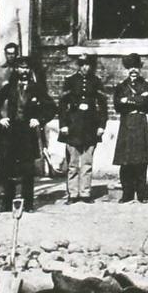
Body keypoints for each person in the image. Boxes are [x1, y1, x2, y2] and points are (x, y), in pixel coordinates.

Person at [0, 57, 49, 212]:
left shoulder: (36, 88)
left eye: (27, 68)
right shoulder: (9, 87)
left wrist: (39, 119)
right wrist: (0, 119)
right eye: (21, 68)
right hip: (11, 132)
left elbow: (51, 107)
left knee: (28, 169)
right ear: (16, 69)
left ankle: (28, 204)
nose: (24, 71)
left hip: (27, 133)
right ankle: (6, 203)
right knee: (8, 168)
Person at [58, 54, 107, 203]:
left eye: (88, 65)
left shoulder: (96, 82)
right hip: (73, 126)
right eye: (82, 64)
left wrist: (101, 126)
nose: (85, 67)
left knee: (87, 162)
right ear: (79, 66)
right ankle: (73, 194)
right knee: (73, 163)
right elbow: (62, 105)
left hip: (90, 127)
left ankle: (85, 193)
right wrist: (63, 125)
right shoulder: (70, 81)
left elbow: (103, 106)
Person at [112, 56, 148, 203]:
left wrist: (127, 100)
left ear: (140, 69)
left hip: (140, 123)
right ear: (127, 70)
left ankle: (141, 194)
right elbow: (117, 105)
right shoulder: (121, 86)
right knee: (126, 161)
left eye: (136, 67)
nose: (133, 70)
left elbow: (146, 102)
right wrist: (136, 99)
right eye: (130, 67)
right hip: (126, 124)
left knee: (141, 161)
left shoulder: (147, 85)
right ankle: (127, 194)